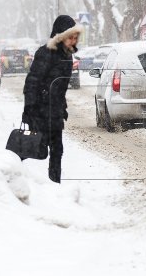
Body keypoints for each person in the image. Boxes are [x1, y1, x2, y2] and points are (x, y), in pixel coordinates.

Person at [23, 15, 83, 183]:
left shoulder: (67, 56)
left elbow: (59, 87)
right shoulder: (46, 52)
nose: (74, 39)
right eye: (71, 35)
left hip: (55, 113)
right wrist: (28, 111)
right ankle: (12, 174)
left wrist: (62, 107)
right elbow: (32, 82)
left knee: (57, 150)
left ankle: (54, 186)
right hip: (40, 111)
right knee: (36, 149)